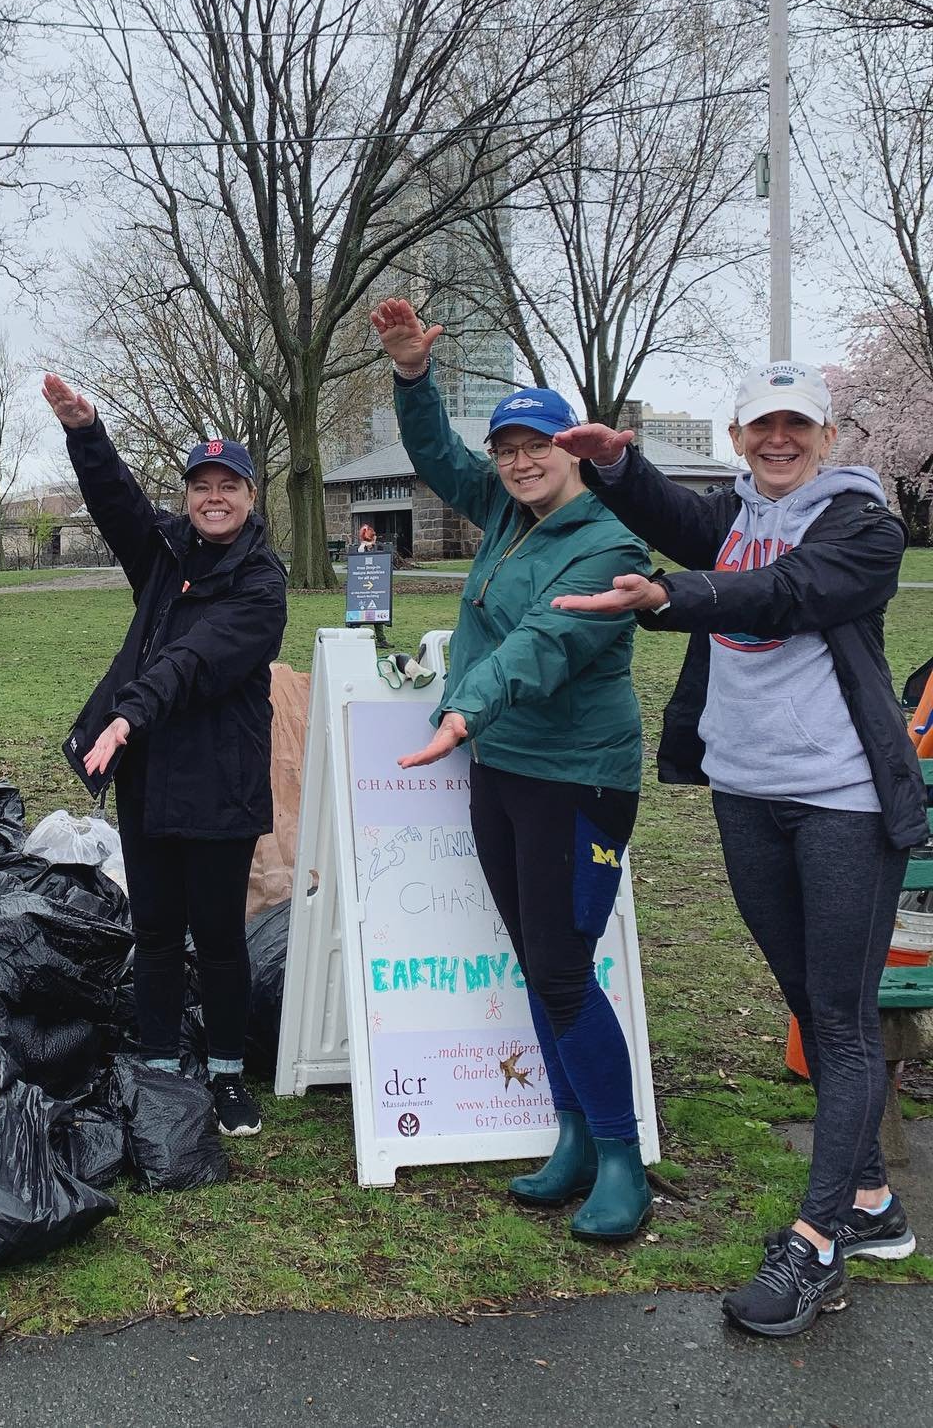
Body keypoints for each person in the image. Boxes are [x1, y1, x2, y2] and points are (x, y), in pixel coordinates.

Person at [553, 357, 925, 1337]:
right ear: (738, 436)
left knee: (838, 1023)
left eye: (797, 425)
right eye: (762, 425)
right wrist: (618, 466)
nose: (779, 439)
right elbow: (684, 520)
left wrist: (675, 600)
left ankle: (815, 1243)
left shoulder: (862, 526)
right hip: (749, 798)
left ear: (828, 437)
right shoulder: (741, 512)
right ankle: (876, 1205)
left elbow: (788, 593)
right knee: (811, 999)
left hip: (842, 802)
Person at [370, 298, 653, 1240]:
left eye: (536, 445)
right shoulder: (502, 510)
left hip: (579, 781)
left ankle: (620, 1155)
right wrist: (415, 376)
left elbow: (544, 642)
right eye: (506, 448)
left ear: (573, 449)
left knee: (565, 967)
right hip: (501, 770)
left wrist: (463, 707)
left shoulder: (608, 542)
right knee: (539, 961)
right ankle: (572, 1136)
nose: (519, 462)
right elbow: (435, 457)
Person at [43, 375, 288, 1136]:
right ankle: (157, 1061)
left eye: (229, 486)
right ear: (189, 494)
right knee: (152, 927)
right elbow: (117, 503)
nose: (213, 497)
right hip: (150, 772)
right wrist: (87, 430)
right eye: (201, 485)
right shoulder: (164, 552)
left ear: (250, 495)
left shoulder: (262, 581)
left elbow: (196, 657)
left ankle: (224, 1073)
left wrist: (128, 712)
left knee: (216, 933)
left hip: (220, 778)